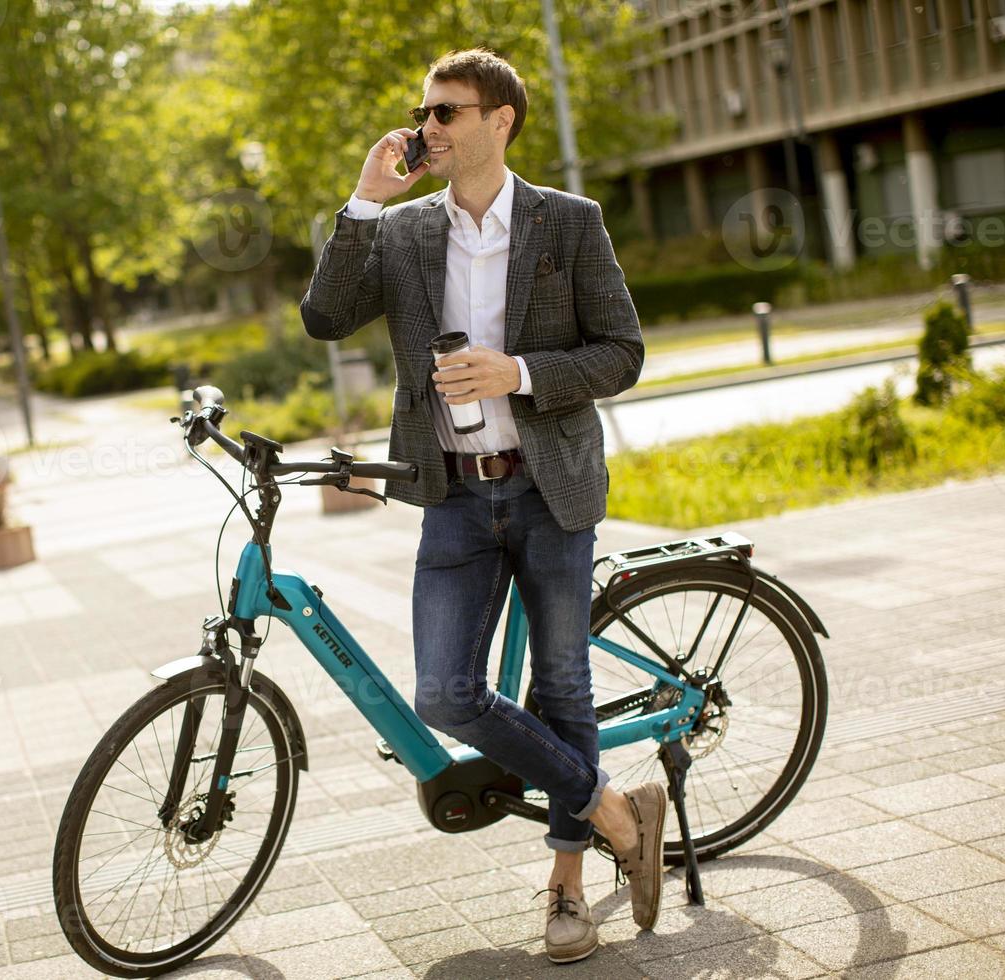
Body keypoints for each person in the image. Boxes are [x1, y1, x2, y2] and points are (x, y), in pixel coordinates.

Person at [300, 48, 662, 964]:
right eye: (424, 112)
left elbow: (621, 352)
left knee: (564, 688)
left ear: (500, 121)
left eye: (447, 112)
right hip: (454, 496)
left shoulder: (568, 223)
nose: (429, 128)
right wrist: (362, 201)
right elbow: (326, 317)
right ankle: (617, 810)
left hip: (550, 487)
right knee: (445, 692)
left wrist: (521, 373)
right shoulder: (407, 233)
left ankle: (567, 890)